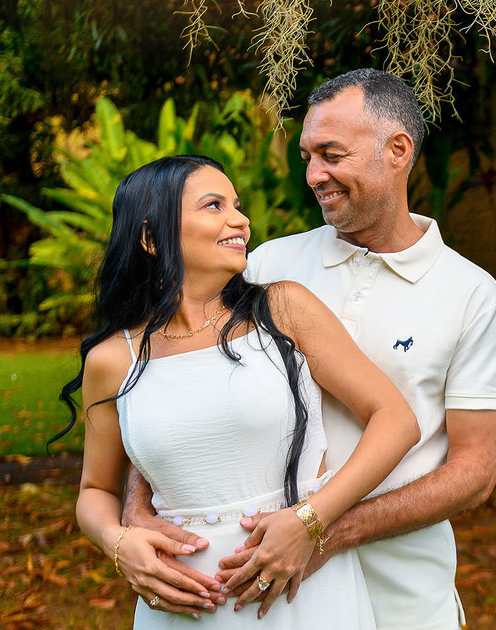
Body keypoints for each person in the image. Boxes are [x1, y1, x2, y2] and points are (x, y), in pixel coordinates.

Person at [123, 69, 496, 629]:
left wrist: (324, 529)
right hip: (265, 594)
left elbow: (475, 470)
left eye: (331, 154)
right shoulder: (265, 267)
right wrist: (137, 505)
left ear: (397, 151)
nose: (313, 175)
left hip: (402, 593)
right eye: (307, 156)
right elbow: (173, 381)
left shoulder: (473, 295)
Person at [61, 154, 419, 627]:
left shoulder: (283, 309)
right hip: (182, 605)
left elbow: (395, 420)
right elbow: (95, 489)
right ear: (151, 237)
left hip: (301, 591)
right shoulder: (112, 359)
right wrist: (118, 543)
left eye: (237, 204)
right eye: (213, 205)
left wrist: (310, 521)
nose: (241, 219)